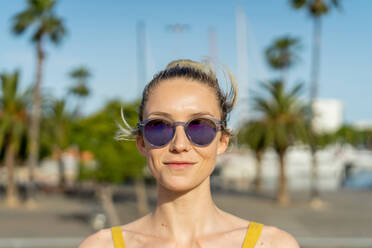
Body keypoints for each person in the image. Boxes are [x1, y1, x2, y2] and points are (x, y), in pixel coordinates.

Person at [78, 59, 299, 248]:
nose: (179, 144)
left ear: (222, 141)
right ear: (142, 143)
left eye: (200, 126)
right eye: (159, 126)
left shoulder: (272, 244)